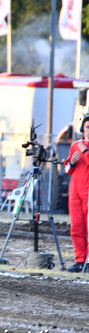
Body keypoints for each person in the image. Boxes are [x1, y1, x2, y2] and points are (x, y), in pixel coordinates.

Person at [64, 115, 89, 273]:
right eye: (87, 127)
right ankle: (80, 260)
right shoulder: (75, 145)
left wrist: (85, 151)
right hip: (75, 191)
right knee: (76, 228)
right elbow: (67, 169)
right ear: (82, 129)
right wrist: (72, 162)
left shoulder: (82, 147)